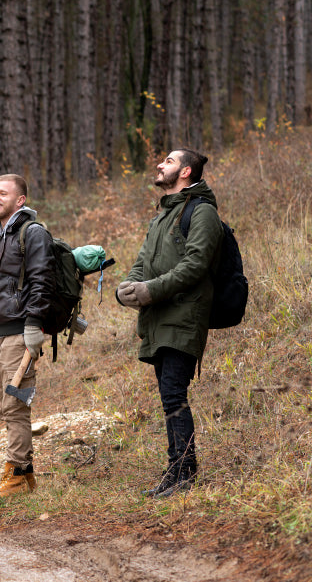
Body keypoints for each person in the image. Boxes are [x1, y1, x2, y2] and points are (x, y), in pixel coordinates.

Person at [116, 148, 222, 498]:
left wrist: (150, 291)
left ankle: (184, 474)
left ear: (186, 171)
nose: (160, 165)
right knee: (169, 396)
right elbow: (142, 260)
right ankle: (176, 472)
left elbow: (195, 265)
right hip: (158, 317)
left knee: (174, 393)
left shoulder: (202, 212)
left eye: (169, 161)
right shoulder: (162, 215)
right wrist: (128, 288)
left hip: (184, 316)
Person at [0, 174, 54, 497]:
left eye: (3, 193)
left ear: (21, 201)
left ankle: (14, 475)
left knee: (16, 406)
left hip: (19, 334)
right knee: (4, 405)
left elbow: (42, 282)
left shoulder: (33, 234)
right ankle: (26, 476)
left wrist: (34, 325)